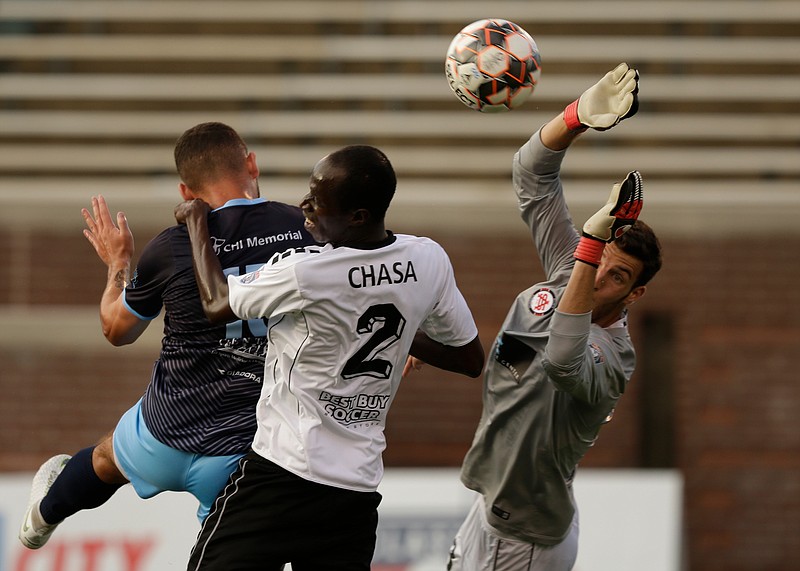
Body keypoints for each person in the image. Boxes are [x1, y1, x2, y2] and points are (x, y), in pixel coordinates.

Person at [173, 143, 486, 570]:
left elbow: (215, 304)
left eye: (318, 201)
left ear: (357, 217)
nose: (306, 205)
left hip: (281, 476)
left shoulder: (306, 271)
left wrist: (195, 223)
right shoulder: (427, 259)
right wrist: (403, 333)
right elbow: (470, 360)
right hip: (354, 494)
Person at [19, 122, 319, 550]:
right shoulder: (304, 230)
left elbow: (116, 329)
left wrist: (117, 264)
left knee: (103, 459)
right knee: (226, 553)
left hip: (160, 433)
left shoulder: (172, 246)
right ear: (251, 163)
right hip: (244, 448)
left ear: (185, 193)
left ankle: (42, 517)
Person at [446, 63, 663, 570]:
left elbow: (563, 360)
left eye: (617, 276)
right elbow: (530, 174)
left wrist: (590, 245)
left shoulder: (613, 355)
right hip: (493, 507)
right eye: (602, 258)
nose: (597, 276)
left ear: (635, 295)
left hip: (525, 534)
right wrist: (576, 116)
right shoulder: (573, 269)